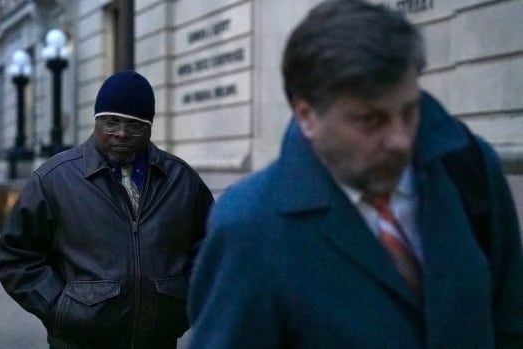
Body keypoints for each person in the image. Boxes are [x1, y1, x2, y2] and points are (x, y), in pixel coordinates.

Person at [187, 1, 523, 348]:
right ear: (307, 115)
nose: (400, 140)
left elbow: (511, 324)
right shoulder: (249, 227)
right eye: (370, 119)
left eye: (409, 111)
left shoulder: (468, 165)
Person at [0, 70, 214, 349]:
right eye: (111, 123)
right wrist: (59, 307)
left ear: (149, 128)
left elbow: (211, 249)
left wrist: (184, 303)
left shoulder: (182, 181)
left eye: (134, 125)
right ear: (96, 121)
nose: (121, 134)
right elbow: (16, 257)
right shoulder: (53, 180)